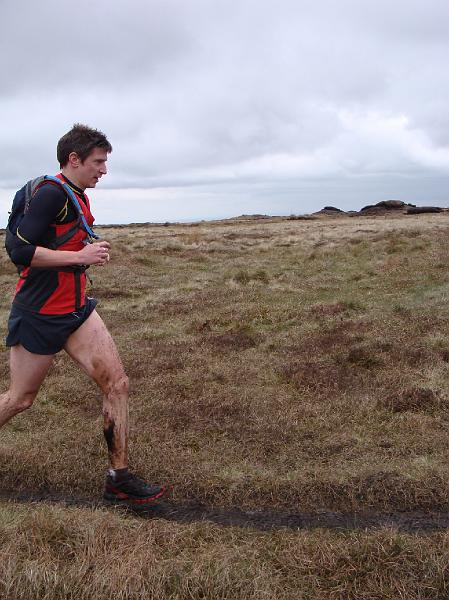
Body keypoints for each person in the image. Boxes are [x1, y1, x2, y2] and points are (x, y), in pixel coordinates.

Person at [0, 124, 165, 505]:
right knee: (21, 399)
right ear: (73, 159)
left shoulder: (78, 196)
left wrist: (85, 252)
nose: (103, 170)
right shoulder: (50, 195)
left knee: (118, 384)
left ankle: (118, 478)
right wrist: (80, 257)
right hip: (39, 313)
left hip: (76, 310)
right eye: (98, 161)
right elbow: (20, 253)